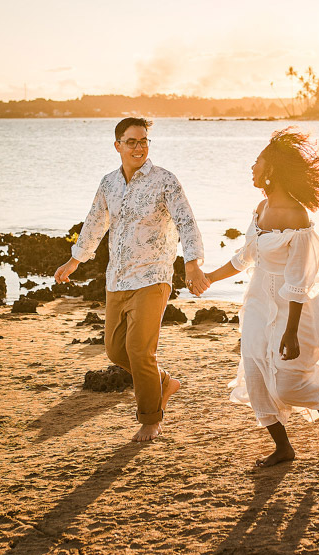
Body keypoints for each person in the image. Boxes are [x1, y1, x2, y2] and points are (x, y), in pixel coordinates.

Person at [203, 128, 319, 467]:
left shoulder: (298, 217)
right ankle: (283, 447)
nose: (252, 167)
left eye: (257, 162)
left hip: (293, 309)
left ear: (273, 170)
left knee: (287, 385)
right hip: (257, 304)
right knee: (254, 371)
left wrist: (291, 330)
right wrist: (208, 277)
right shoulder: (261, 208)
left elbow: (298, 281)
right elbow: (245, 257)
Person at [55, 117, 209, 442]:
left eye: (144, 141)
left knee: (139, 350)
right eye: (131, 141)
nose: (139, 147)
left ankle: (151, 418)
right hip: (117, 279)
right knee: (114, 350)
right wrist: (74, 261)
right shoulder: (108, 183)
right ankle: (163, 382)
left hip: (154, 277)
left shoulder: (165, 181)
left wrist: (193, 264)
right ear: (118, 146)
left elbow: (186, 222)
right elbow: (95, 224)